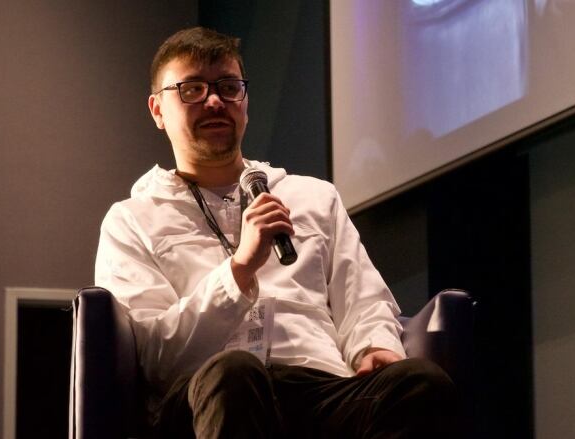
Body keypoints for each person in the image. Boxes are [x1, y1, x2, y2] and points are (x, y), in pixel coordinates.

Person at [95, 26, 458, 438]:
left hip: (319, 386)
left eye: (229, 87)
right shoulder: (131, 219)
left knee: (422, 383)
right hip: (206, 395)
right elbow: (156, 355)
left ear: (245, 102)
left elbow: (362, 297)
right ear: (158, 110)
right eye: (192, 89)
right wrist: (238, 271)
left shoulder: (311, 196)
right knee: (235, 372)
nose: (214, 101)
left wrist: (373, 345)